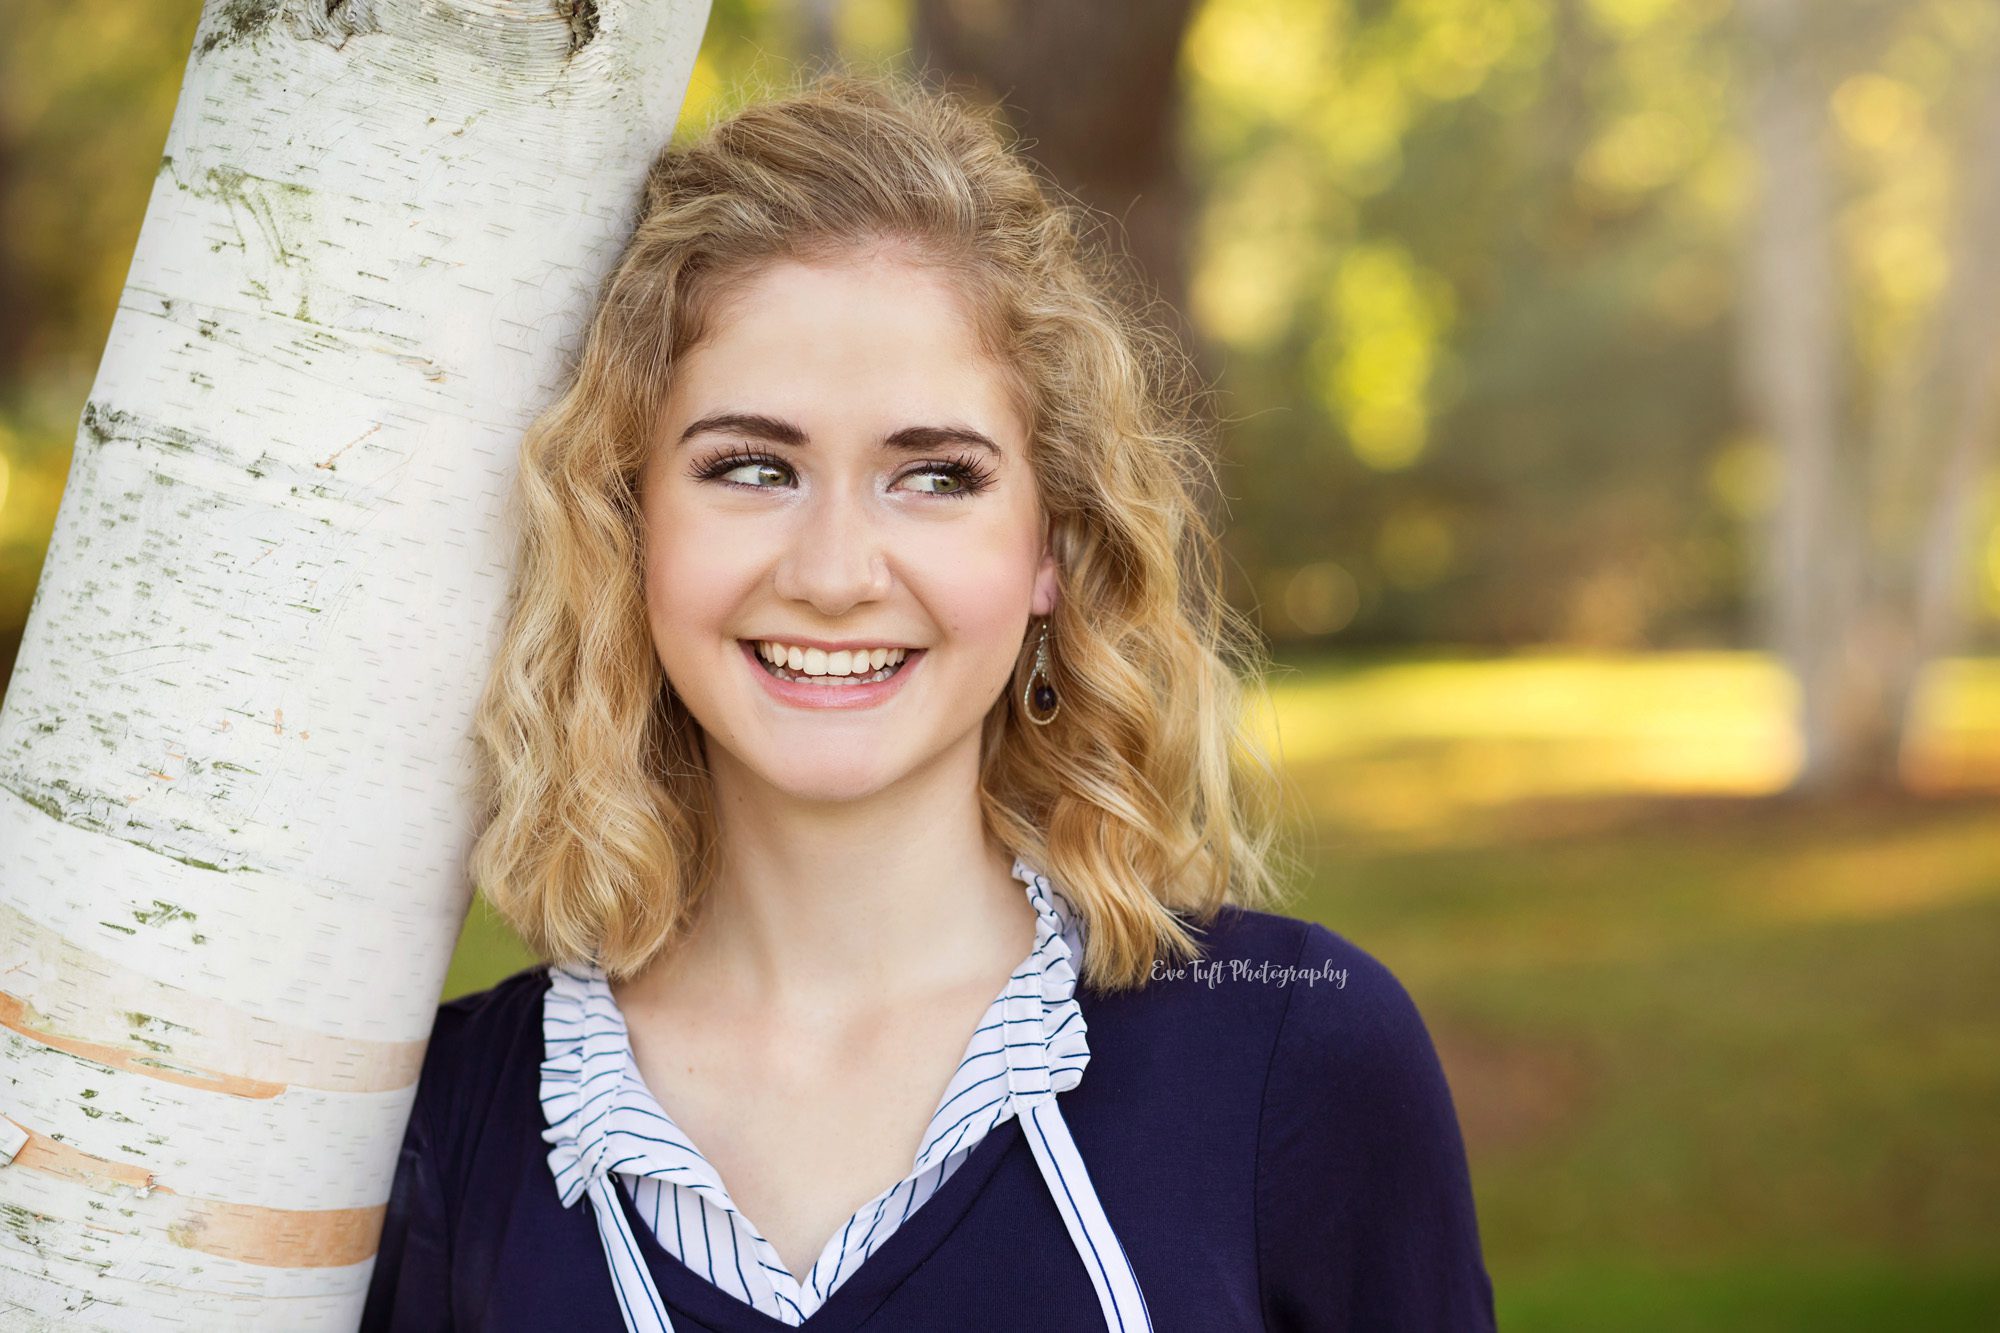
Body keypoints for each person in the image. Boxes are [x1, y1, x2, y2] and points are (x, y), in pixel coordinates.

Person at [361, 65, 1496, 1333]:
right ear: (626, 526)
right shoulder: (432, 1124)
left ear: (1051, 546)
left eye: (936, 477)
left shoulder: (1293, 1055)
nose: (835, 574)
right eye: (749, 467)